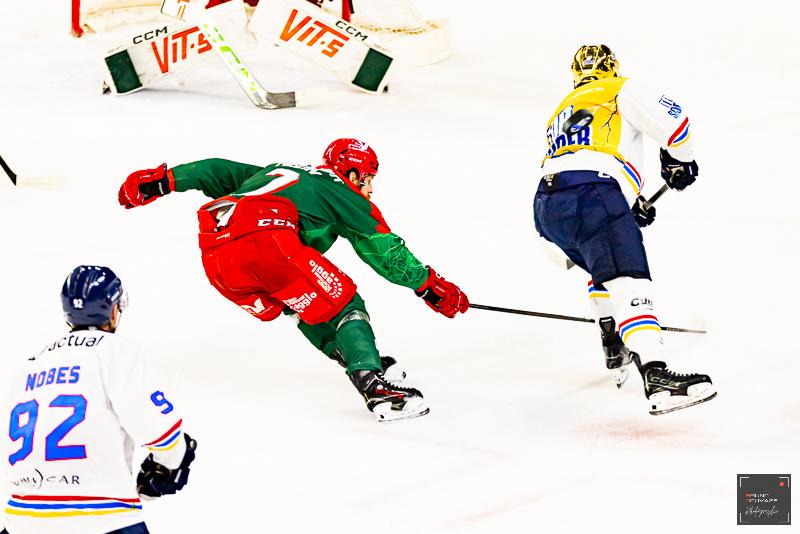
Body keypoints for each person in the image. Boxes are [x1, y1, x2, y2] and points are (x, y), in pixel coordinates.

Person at [117, 138, 469, 422]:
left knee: (300, 303)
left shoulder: (280, 172)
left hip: (217, 256)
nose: (371, 187)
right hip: (267, 239)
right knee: (344, 302)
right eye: (369, 178)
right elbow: (385, 251)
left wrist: (164, 181)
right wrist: (429, 285)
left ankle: (359, 359)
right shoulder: (342, 191)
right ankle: (375, 387)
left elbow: (216, 170)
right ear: (353, 173)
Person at [532, 45, 716, 415]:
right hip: (593, 195)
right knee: (629, 279)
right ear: (611, 67)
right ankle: (656, 374)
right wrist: (679, 162)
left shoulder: (564, 109)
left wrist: (627, 206)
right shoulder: (619, 88)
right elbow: (676, 123)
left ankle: (612, 337)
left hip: (547, 208)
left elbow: (584, 159)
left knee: (603, 266)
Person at [0, 266, 196, 534]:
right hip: (101, 519)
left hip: (22, 521)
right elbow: (161, 433)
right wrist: (170, 464)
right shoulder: (116, 352)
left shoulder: (29, 366)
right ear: (114, 310)